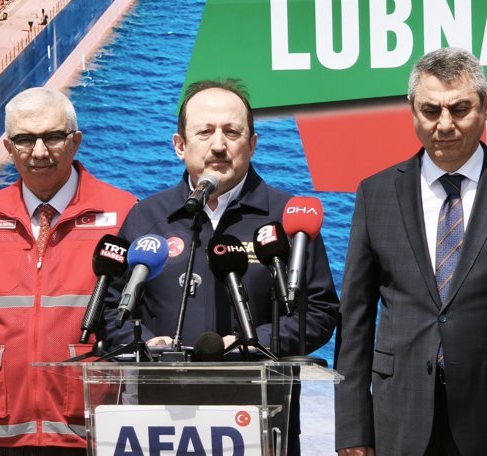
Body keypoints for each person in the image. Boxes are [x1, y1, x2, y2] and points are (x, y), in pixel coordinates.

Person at [334, 48, 487, 456]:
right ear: (412, 110)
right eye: (431, 111)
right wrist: (353, 429)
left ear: (485, 106)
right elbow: (355, 320)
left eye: (459, 109)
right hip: (400, 419)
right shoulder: (375, 194)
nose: (444, 124)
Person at [102, 78, 339, 454]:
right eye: (205, 132)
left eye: (232, 132)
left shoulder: (287, 219)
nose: (218, 145)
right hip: (161, 425)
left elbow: (320, 313)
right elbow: (112, 312)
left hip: (261, 422)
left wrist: (252, 346)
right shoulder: (146, 218)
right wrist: (146, 344)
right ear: (179, 145)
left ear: (253, 144)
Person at [0, 87, 137, 455]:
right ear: (7, 147)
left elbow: (134, 326)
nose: (38, 152)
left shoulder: (125, 214)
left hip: (93, 431)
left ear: (76, 141)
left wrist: (130, 421)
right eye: (24, 139)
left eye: (52, 137)